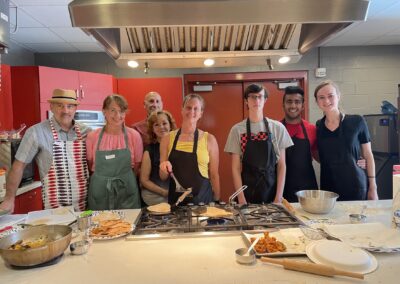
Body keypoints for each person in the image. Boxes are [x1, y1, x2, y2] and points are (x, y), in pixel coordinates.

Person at [0, 89, 90, 212]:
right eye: (60, 105)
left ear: (75, 109)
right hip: (55, 209)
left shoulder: (87, 132)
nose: (65, 111)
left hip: (86, 206)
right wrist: (9, 199)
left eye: (69, 106)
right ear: (51, 107)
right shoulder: (36, 132)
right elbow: (18, 166)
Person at [224, 84, 293, 204]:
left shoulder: (277, 128)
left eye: (260, 96)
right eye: (252, 97)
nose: (256, 100)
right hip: (246, 194)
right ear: (246, 100)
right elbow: (235, 168)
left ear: (265, 100)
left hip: (272, 193)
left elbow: (282, 165)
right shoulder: (237, 130)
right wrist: (241, 199)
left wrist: (278, 198)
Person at [314, 80, 378, 201]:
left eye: (330, 96)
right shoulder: (318, 126)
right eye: (321, 97)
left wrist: (373, 187)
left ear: (338, 96)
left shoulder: (357, 121)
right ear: (317, 102)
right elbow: (319, 154)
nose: (326, 101)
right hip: (329, 187)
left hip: (356, 185)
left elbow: (368, 155)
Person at [159, 94, 220, 204]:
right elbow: (163, 176)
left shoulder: (209, 139)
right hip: (176, 203)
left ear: (201, 113)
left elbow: (214, 175)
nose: (192, 111)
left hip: (202, 202)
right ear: (182, 110)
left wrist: (217, 200)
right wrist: (163, 168)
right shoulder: (167, 139)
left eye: (196, 108)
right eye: (188, 107)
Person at [86, 94, 143, 210]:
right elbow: (90, 164)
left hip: (127, 190)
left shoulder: (134, 136)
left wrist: (126, 178)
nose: (118, 115)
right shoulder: (92, 137)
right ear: (104, 112)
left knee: (128, 224)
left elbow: (137, 166)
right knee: (99, 226)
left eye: (121, 111)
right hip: (100, 191)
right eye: (113, 110)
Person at [281, 86, 318, 202]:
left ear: (302, 106)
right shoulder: (276, 128)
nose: (293, 106)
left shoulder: (311, 129)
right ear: (283, 104)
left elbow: (321, 158)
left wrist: (353, 159)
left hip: (307, 188)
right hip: (281, 189)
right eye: (289, 101)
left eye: (297, 102)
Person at [140, 110, 177, 206]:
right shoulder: (149, 150)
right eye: (156, 125)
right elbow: (144, 180)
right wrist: (164, 192)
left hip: (177, 196)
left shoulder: (179, 146)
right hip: (155, 197)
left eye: (164, 123)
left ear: (170, 125)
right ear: (152, 129)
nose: (161, 127)